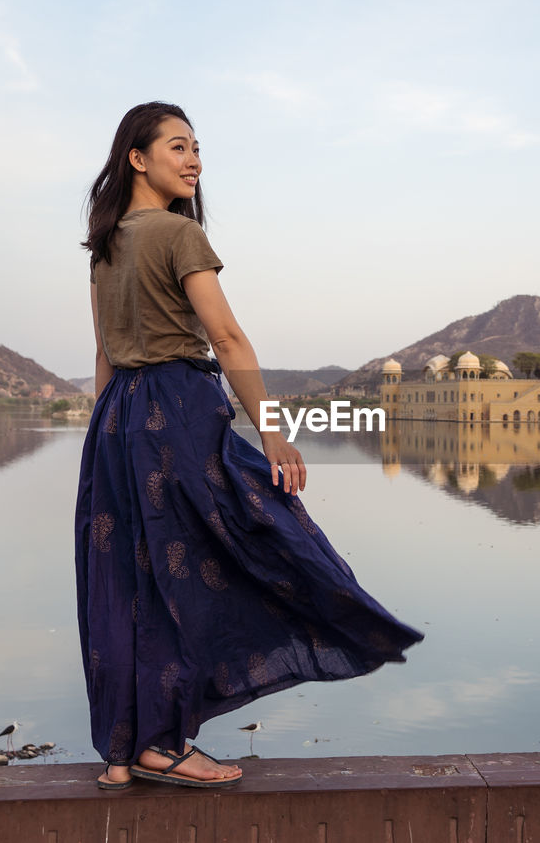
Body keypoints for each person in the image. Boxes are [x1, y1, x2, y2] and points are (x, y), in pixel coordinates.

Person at [75, 102, 423, 789]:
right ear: (137, 158)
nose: (194, 159)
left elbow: (104, 356)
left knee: (132, 580)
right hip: (177, 407)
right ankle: (165, 741)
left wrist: (101, 445)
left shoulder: (107, 246)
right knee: (231, 548)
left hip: (117, 423)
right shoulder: (178, 235)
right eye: (178, 146)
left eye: (197, 148)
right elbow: (228, 338)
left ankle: (125, 749)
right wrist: (271, 430)